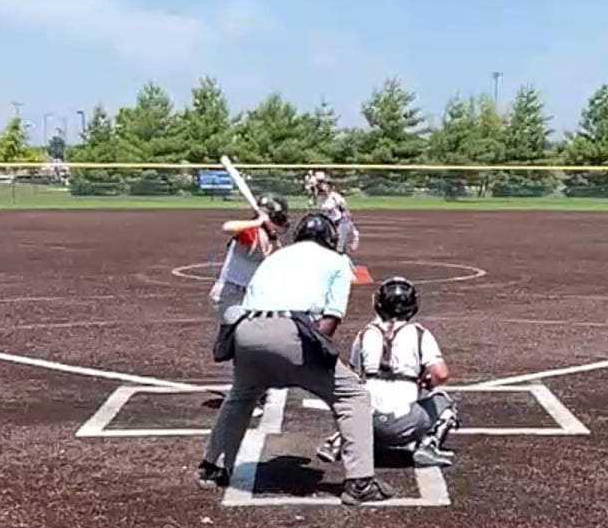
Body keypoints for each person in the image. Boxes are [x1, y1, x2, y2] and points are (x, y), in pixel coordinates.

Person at [197, 213, 390, 506]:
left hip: (245, 331)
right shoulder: (337, 261)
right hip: (291, 332)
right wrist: (319, 362)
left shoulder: (275, 257)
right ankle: (361, 482)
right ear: (330, 239)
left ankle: (213, 468)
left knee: (241, 396)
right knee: (352, 396)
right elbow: (328, 323)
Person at [316, 277, 460, 470]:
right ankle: (428, 446)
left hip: (368, 423)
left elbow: (352, 376)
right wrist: (427, 383)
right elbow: (441, 374)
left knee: (349, 399)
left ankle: (340, 439)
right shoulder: (419, 333)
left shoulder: (365, 333)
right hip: (405, 424)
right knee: (444, 401)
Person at [209, 194, 289, 324]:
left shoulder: (271, 239)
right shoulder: (251, 231)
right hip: (231, 295)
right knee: (241, 330)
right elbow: (227, 227)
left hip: (253, 295)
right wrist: (258, 222)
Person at [306, 170, 358, 254]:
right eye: (320, 185)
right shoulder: (316, 198)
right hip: (322, 226)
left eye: (325, 185)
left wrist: (355, 236)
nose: (322, 187)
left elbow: (346, 215)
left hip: (336, 225)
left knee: (338, 249)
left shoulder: (336, 197)